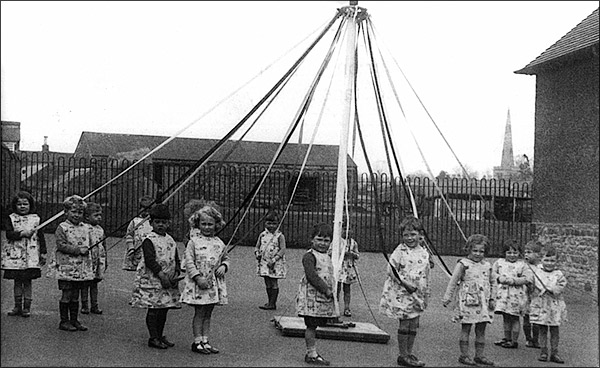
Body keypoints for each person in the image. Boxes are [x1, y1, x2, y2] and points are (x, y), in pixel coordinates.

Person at [379, 215, 431, 367]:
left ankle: (409, 352)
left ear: (420, 234)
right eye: (406, 235)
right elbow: (391, 270)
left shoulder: (423, 251)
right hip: (402, 293)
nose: (409, 238)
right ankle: (402, 355)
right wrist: (405, 282)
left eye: (413, 234)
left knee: (414, 324)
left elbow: (425, 272)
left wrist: (425, 291)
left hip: (417, 294)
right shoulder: (400, 251)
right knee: (405, 324)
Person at [180, 202, 230, 354]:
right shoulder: (193, 242)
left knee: (208, 313)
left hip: (213, 284)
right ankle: (197, 341)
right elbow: (189, 262)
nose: (207, 227)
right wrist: (198, 278)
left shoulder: (219, 242)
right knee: (200, 312)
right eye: (204, 224)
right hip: (199, 283)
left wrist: (224, 266)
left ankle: (205, 340)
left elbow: (225, 258)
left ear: (216, 225)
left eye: (210, 224)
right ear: (198, 224)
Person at [130, 203, 182, 349]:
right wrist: (161, 275)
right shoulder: (148, 239)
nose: (161, 225)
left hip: (168, 280)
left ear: (168, 223)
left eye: (164, 222)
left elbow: (176, 257)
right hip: (153, 280)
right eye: (157, 222)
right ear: (151, 223)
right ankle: (153, 337)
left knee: (163, 308)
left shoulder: (170, 239)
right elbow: (150, 260)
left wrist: (177, 271)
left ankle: (160, 335)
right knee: (154, 309)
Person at [442, 234, 496, 366]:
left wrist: (493, 298)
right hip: (468, 302)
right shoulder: (463, 264)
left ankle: (479, 355)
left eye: (481, 251)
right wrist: (447, 297)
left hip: (483, 302)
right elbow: (453, 282)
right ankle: (464, 355)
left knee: (481, 329)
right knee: (466, 328)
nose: (478, 254)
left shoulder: (488, 265)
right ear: (468, 250)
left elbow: (493, 282)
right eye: (475, 251)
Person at [295, 222, 338, 366]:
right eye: (319, 239)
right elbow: (311, 275)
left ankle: (312, 352)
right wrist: (325, 289)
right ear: (312, 239)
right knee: (311, 325)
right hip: (312, 297)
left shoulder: (327, 256)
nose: (323, 243)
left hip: (322, 297)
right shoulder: (309, 256)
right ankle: (311, 353)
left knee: (316, 324)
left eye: (326, 240)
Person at [1, 190, 47, 317]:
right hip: (16, 255)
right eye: (19, 204)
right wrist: (22, 234)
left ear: (30, 205)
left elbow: (41, 237)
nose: (22, 206)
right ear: (15, 205)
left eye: (25, 204)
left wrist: (43, 252)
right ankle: (17, 306)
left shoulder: (36, 219)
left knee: (27, 281)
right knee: (17, 281)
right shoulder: (11, 218)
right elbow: (9, 234)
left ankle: (27, 307)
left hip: (31, 256)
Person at [53, 195, 94, 331]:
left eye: (80, 212)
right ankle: (64, 321)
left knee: (76, 295)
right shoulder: (62, 227)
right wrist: (77, 250)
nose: (77, 215)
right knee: (67, 294)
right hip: (66, 267)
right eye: (74, 211)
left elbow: (90, 243)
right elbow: (61, 245)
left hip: (80, 267)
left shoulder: (86, 227)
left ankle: (74, 320)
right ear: (66, 212)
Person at [527, 245, 567, 364]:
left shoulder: (559, 274)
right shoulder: (536, 272)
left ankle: (554, 352)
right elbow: (531, 285)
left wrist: (552, 289)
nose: (549, 263)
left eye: (552, 260)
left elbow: (561, 286)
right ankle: (543, 351)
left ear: (556, 261)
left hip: (554, 305)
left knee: (555, 329)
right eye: (546, 260)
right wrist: (531, 286)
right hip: (541, 305)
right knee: (542, 329)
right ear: (541, 260)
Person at [492, 239, 529, 349]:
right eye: (509, 252)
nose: (512, 255)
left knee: (514, 317)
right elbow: (492, 273)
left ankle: (514, 340)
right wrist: (499, 277)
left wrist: (514, 281)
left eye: (515, 252)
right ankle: (507, 338)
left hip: (516, 296)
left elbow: (527, 278)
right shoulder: (499, 262)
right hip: (503, 295)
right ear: (504, 253)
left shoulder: (522, 265)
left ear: (519, 253)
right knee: (506, 317)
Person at [254, 209, 287, 310]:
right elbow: (257, 246)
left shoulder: (279, 236)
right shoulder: (262, 235)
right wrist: (257, 253)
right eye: (269, 223)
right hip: (264, 261)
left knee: (273, 281)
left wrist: (274, 259)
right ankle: (269, 301)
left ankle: (273, 303)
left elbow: (283, 249)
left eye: (274, 223)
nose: (271, 226)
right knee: (267, 281)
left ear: (278, 224)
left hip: (275, 262)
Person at [80, 202, 107, 314]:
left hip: (98, 260)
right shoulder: (84, 228)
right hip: (88, 260)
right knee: (85, 284)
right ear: (87, 217)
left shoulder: (100, 229)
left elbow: (104, 245)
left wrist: (106, 260)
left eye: (100, 215)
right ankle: (85, 305)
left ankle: (94, 305)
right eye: (96, 215)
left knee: (95, 284)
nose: (99, 217)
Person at [329, 220, 359, 318]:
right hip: (339, 267)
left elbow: (357, 255)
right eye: (344, 228)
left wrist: (352, 254)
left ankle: (347, 308)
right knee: (337, 288)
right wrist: (339, 254)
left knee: (347, 289)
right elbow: (330, 252)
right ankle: (335, 306)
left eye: (349, 229)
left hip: (348, 268)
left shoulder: (353, 243)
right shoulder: (336, 241)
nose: (347, 231)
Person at [122, 195, 154, 271]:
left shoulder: (153, 222)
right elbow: (129, 235)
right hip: (137, 250)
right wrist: (131, 247)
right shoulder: (135, 221)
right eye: (143, 208)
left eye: (149, 209)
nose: (146, 211)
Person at [522, 240, 542, 348]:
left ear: (537, 255)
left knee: (537, 319)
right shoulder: (524, 266)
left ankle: (536, 339)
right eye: (525, 252)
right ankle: (528, 338)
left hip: (537, 296)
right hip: (526, 295)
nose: (526, 255)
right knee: (527, 318)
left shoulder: (541, 267)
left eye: (529, 252)